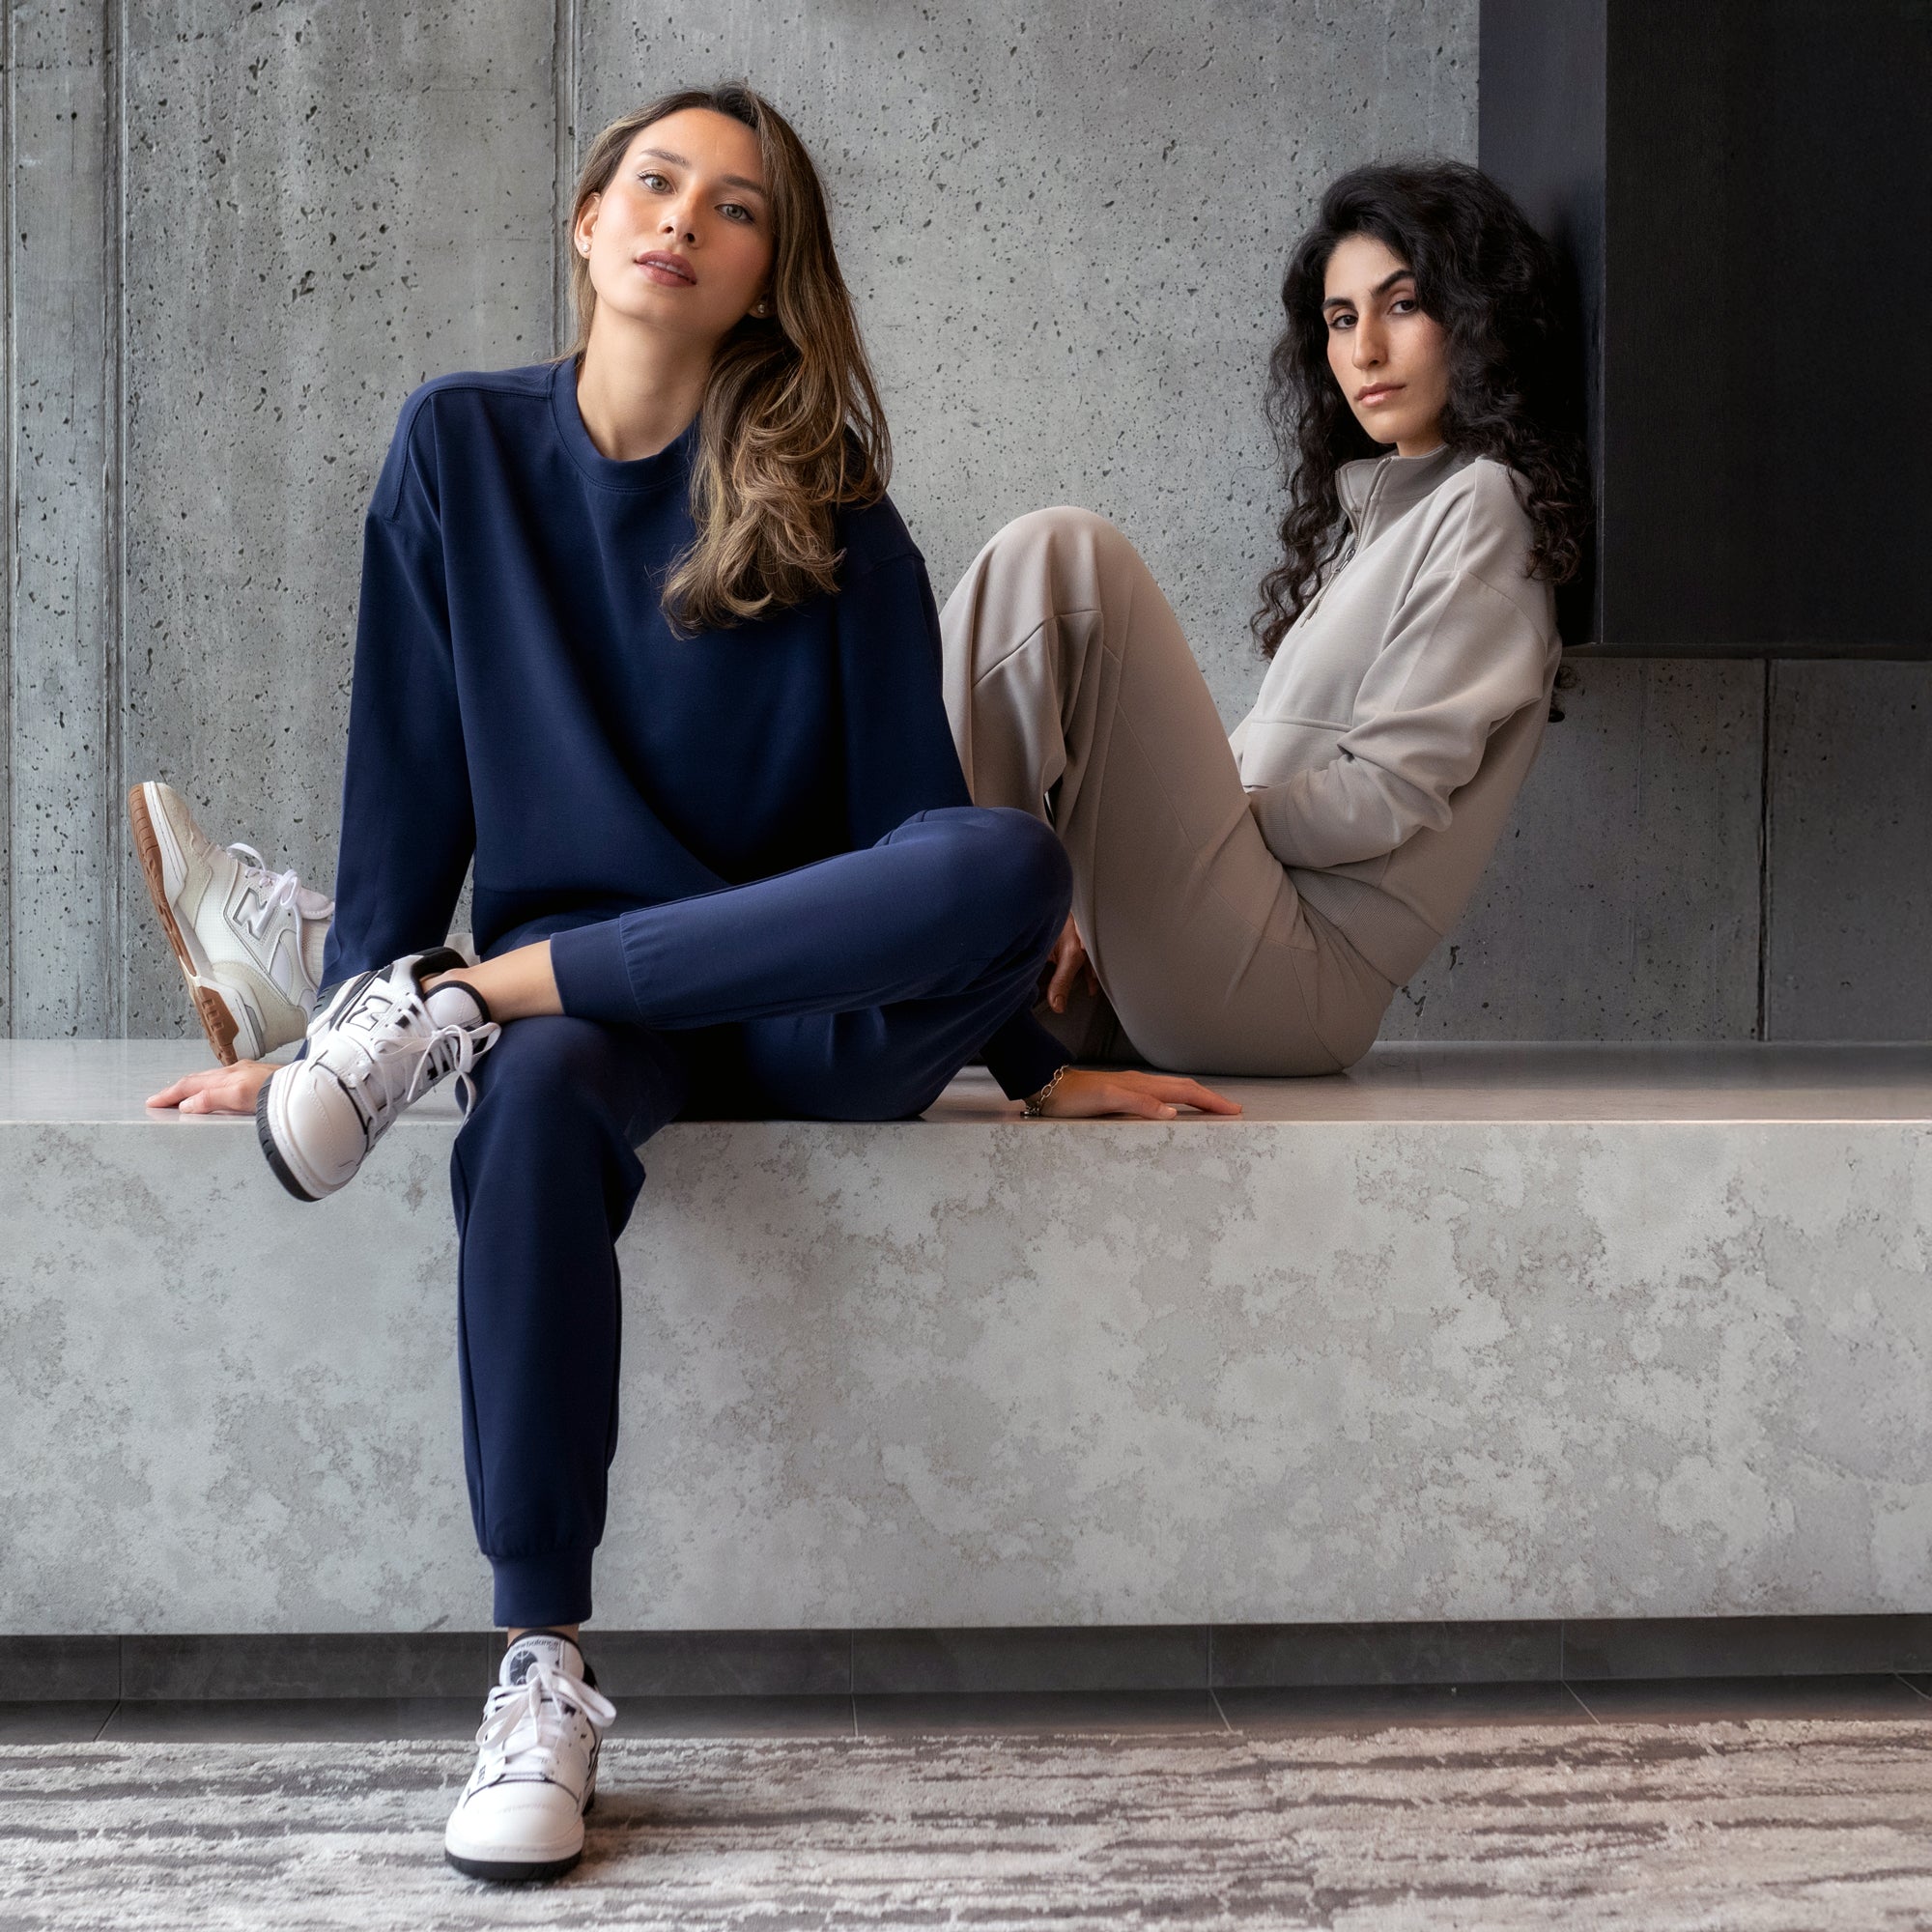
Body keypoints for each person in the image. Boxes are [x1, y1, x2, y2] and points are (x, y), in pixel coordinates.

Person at [138, 85, 1232, 1887]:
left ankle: (476, 999)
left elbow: (923, 849)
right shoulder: (456, 451)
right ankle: (539, 1673)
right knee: (531, 1112)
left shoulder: (829, 505)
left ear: (765, 276)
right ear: (589, 220)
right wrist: (331, 1033)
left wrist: (1040, 1066)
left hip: (798, 1021)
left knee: (1009, 861)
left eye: (735, 208)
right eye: (656, 183)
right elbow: (405, 784)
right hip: (589, 1034)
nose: (683, 221)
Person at [941, 159, 1590, 1076]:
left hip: (1292, 980)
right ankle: (952, 920)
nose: (1365, 350)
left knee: (1061, 555)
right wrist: (1102, 898)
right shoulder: (1371, 530)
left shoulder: (1486, 508)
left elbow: (1384, 797)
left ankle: (952, 910)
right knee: (890, 1016)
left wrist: (1191, 837)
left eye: (1403, 305)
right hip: (1225, 948)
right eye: (1341, 319)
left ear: (1478, 318)